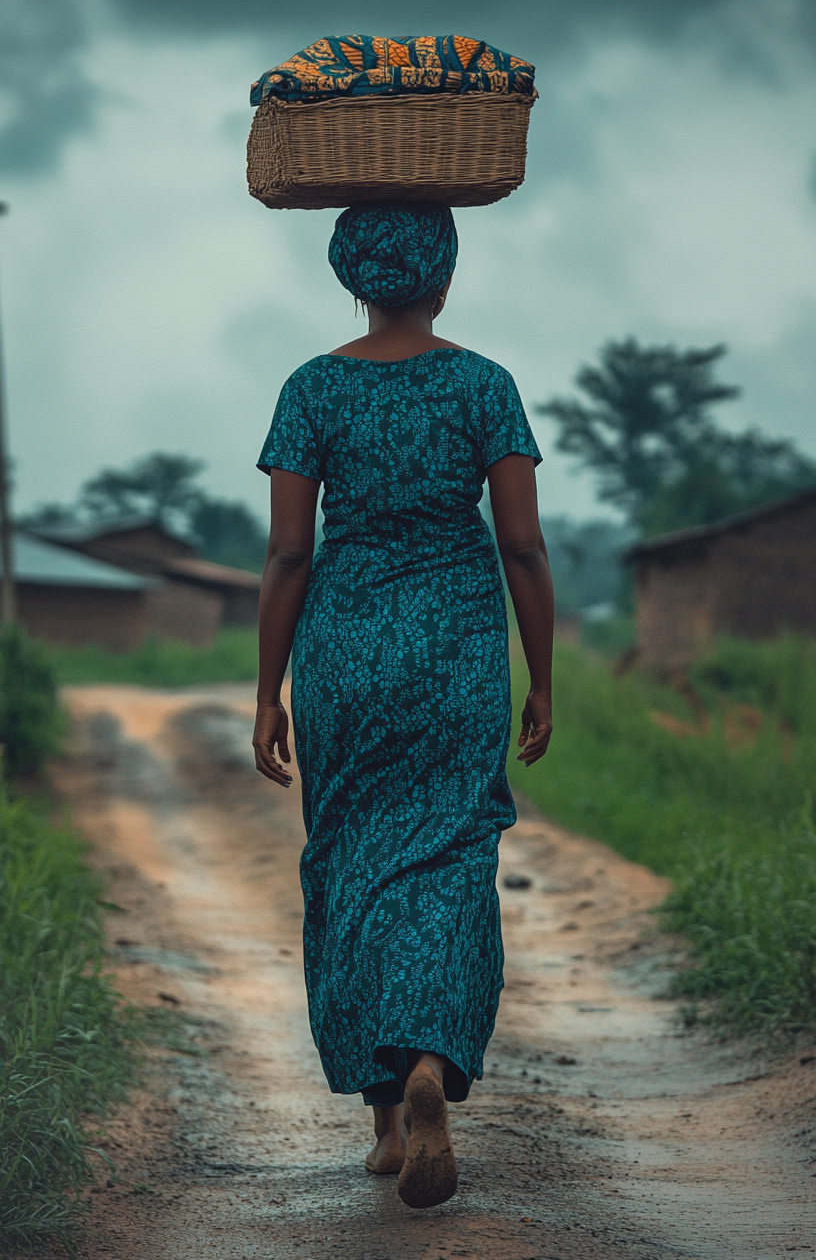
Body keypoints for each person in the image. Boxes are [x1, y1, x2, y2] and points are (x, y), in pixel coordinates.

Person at [253, 203, 554, 1210]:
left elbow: (290, 553)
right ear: (445, 275)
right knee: (453, 853)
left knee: (351, 855)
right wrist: (542, 675)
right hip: (459, 646)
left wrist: (268, 690)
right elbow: (522, 547)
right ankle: (432, 1059)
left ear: (353, 276)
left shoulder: (311, 389)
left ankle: (387, 1115)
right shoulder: (484, 385)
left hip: (344, 648)